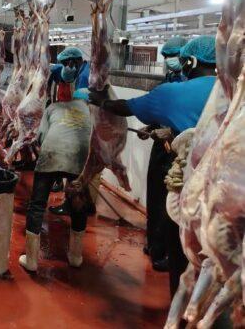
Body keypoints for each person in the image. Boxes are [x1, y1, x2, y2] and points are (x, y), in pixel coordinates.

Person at [88, 35, 216, 294]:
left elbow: (127, 106)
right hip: (226, 184)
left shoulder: (174, 92)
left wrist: (101, 102)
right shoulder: (233, 91)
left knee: (182, 248)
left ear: (190, 61)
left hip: (190, 179)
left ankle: (178, 291)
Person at [19, 87, 92, 272]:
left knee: (37, 205)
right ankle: (75, 257)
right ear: (87, 101)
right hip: (78, 157)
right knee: (79, 205)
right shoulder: (90, 112)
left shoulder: (53, 107)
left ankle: (31, 260)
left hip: (51, 152)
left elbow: (41, 137)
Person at [140, 36, 188, 272]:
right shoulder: (168, 80)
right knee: (155, 197)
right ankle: (155, 246)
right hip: (161, 148)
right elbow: (162, 113)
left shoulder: (191, 84)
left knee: (171, 202)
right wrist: (150, 126)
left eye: (173, 55)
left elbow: (194, 122)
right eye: (166, 56)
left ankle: (168, 252)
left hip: (180, 150)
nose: (169, 60)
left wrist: (171, 131)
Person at [46, 47, 97, 215]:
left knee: (73, 169)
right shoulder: (83, 70)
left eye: (65, 64)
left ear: (72, 61)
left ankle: (72, 205)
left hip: (83, 127)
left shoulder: (83, 77)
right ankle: (88, 205)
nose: (64, 67)